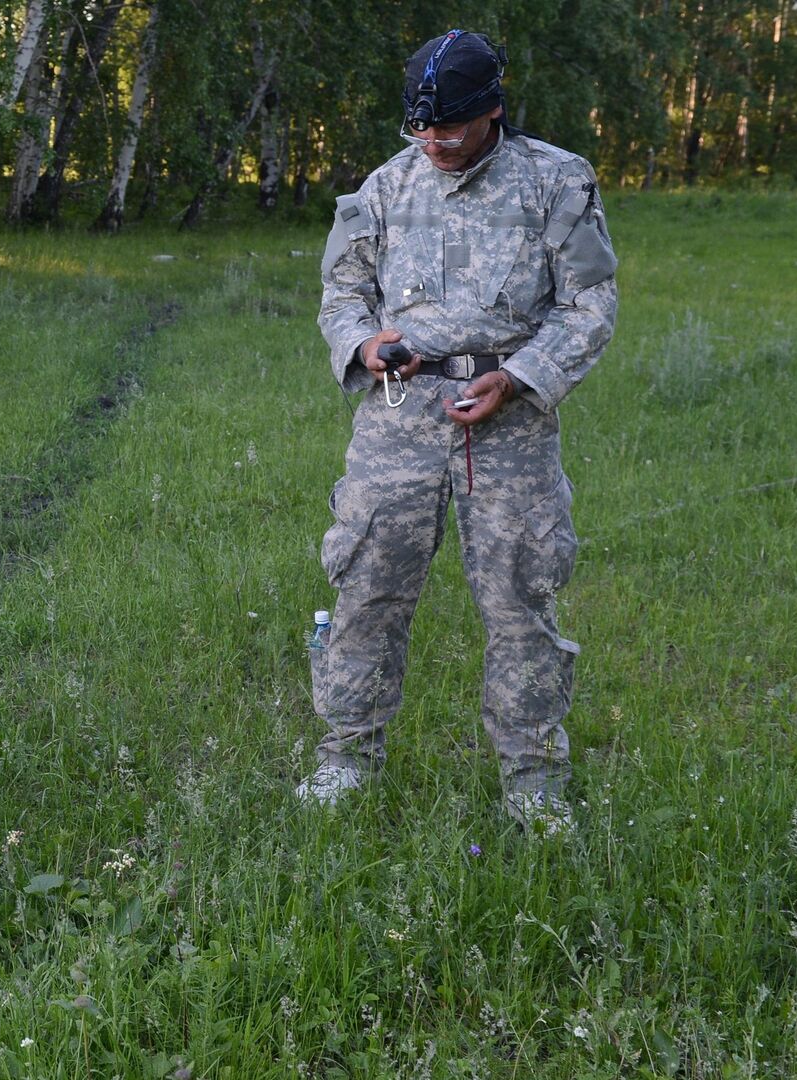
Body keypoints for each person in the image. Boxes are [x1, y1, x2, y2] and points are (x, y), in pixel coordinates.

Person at [302, 30, 618, 835]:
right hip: (397, 417)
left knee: (522, 597)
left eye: (450, 129)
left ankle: (534, 778)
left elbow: (590, 306)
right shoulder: (382, 188)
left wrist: (515, 379)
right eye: (422, 130)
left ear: (492, 112)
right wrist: (366, 344)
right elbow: (342, 297)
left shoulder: (556, 180)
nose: (435, 143)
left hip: (510, 421)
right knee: (367, 587)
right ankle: (346, 758)